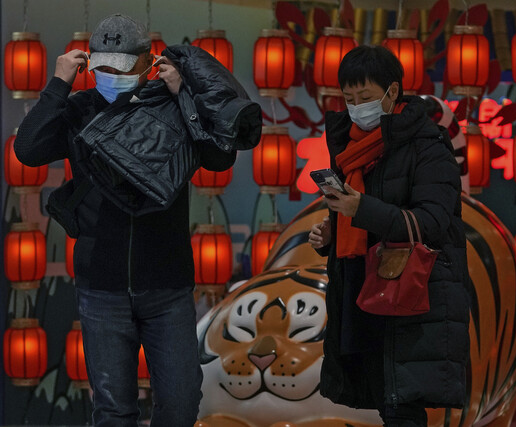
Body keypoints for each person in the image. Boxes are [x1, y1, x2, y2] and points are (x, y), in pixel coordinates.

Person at [14, 14, 261, 427]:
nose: (112, 77)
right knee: (113, 410)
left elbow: (219, 158)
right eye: (104, 68)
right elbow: (28, 149)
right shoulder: (80, 108)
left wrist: (184, 95)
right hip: (101, 285)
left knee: (181, 403)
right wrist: (58, 84)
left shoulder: (170, 103)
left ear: (148, 61)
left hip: (168, 285)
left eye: (122, 67)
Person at [308, 45, 470, 427]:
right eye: (349, 99)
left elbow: (433, 220)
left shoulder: (429, 146)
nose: (356, 108)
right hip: (363, 293)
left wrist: (360, 209)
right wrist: (332, 234)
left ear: (392, 91)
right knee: (388, 402)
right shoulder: (350, 149)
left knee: (402, 408)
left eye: (365, 97)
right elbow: (363, 218)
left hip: (413, 296)